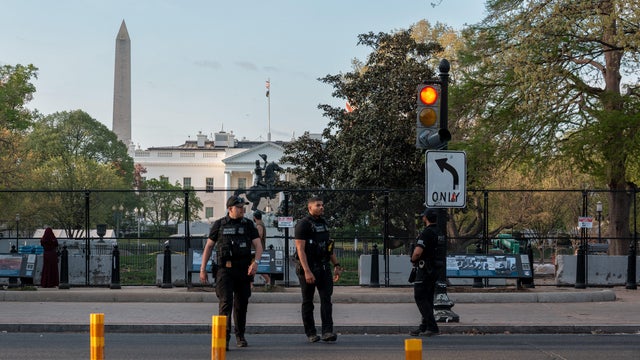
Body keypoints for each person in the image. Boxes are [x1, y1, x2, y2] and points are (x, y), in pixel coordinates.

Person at [199, 195, 263, 349]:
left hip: (243, 270)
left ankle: (240, 336)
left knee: (241, 304)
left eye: (243, 207)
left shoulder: (248, 225)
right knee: (225, 303)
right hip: (225, 271)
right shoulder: (219, 224)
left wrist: (256, 263)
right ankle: (224, 338)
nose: (242, 210)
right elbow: (208, 247)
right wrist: (203, 269)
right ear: (230, 209)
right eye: (239, 207)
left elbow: (258, 246)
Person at [294, 196, 343, 343]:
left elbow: (328, 247)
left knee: (326, 300)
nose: (322, 207)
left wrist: (336, 265)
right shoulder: (302, 225)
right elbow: (300, 250)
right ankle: (311, 333)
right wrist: (307, 271)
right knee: (308, 301)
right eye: (318, 205)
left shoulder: (324, 223)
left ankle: (327, 331)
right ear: (310, 208)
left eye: (322, 205)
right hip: (308, 268)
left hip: (323, 267)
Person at [409, 208, 441, 337]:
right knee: (427, 299)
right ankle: (424, 326)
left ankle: (432, 327)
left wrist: (413, 259)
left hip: (425, 269)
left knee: (420, 297)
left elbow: (417, 252)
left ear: (425, 218)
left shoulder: (426, 233)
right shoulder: (439, 232)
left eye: (423, 217)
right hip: (435, 268)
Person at [253, 211, 271, 286]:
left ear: (254, 217)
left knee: (257, 265)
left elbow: (259, 235)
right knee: (256, 265)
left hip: (258, 248)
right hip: (259, 248)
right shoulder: (260, 224)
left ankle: (268, 280)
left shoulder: (259, 225)